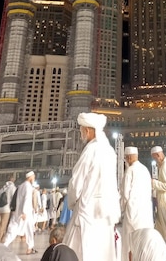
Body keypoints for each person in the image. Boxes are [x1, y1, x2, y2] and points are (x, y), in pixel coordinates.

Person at [63, 112, 120, 261]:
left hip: (87, 210)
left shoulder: (90, 150)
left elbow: (76, 182)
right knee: (103, 251)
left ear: (88, 130)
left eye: (81, 129)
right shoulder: (109, 151)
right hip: (105, 211)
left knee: (79, 250)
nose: (81, 133)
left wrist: (72, 202)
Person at [120, 146, 154, 261]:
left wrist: (122, 209)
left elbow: (125, 194)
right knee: (144, 242)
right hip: (145, 213)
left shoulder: (130, 171)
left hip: (133, 213)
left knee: (130, 244)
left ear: (128, 158)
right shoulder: (145, 170)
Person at [3, 170, 37, 255]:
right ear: (30, 177)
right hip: (26, 212)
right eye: (33, 177)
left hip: (18, 211)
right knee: (28, 230)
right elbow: (26, 199)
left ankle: (5, 244)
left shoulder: (21, 186)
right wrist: (24, 212)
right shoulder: (28, 186)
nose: (34, 178)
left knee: (13, 229)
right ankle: (29, 248)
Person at [0, 174, 16, 243]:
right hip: (7, 209)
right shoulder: (12, 188)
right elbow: (13, 199)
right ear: (13, 180)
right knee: (3, 225)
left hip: (1, 208)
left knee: (3, 224)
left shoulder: (3, 188)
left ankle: (3, 239)